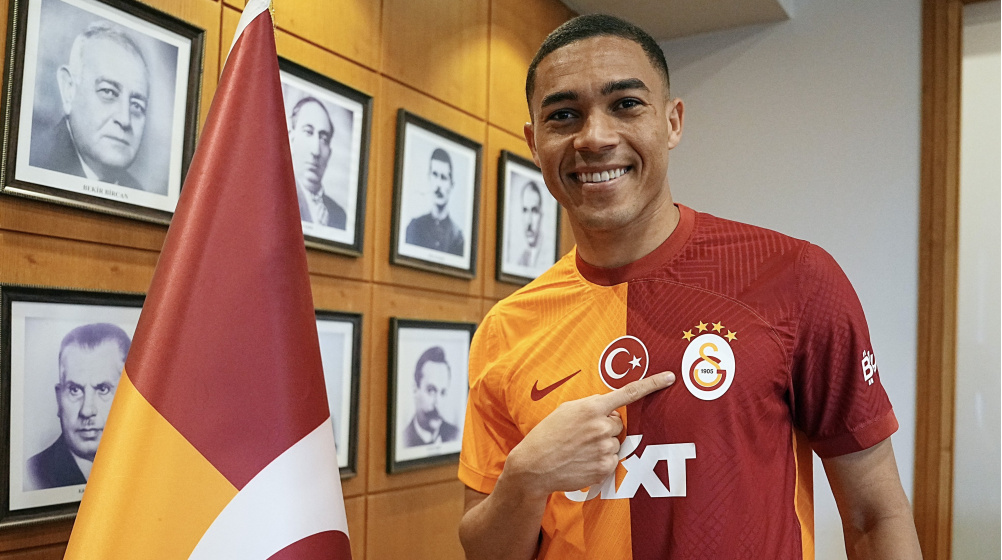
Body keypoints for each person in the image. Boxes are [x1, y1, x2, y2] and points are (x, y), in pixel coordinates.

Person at [458, 14, 921, 560]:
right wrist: (526, 478)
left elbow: (875, 515)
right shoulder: (506, 329)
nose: (595, 137)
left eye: (626, 104)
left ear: (672, 122)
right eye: (563, 115)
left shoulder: (796, 277)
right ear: (535, 144)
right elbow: (485, 553)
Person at [29, 21, 149, 190]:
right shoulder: (34, 167)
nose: (125, 120)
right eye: (108, 92)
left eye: (136, 105)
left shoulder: (137, 192)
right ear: (68, 90)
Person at [25, 323, 130, 491]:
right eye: (74, 390)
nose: (87, 410)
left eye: (103, 389)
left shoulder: (154, 466)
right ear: (59, 399)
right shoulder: (31, 476)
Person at [288, 96, 346, 229]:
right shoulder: (275, 197)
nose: (316, 151)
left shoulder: (339, 215)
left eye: (323, 139)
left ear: (329, 154)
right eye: (308, 132)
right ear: (291, 139)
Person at [405, 148, 464, 256]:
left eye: (444, 178)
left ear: (451, 184)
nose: (438, 185)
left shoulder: (457, 238)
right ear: (429, 177)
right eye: (435, 175)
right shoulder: (415, 227)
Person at [402, 346, 459, 447]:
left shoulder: (456, 436)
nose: (438, 403)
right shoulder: (403, 440)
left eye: (443, 392)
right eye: (431, 391)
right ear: (415, 389)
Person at [514, 180, 544, 267]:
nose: (529, 221)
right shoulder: (521, 260)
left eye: (534, 211)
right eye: (525, 210)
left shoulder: (549, 257)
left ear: (541, 215)